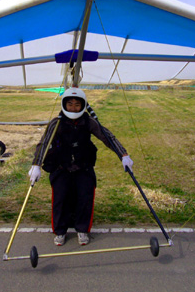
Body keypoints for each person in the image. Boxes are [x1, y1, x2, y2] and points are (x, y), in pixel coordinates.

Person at [28, 87, 133, 246]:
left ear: (83, 105)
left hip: (83, 166)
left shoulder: (88, 121)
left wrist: (123, 155)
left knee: (85, 198)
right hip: (61, 167)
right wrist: (36, 164)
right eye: (70, 104)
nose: (73, 108)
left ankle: (82, 230)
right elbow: (44, 143)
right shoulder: (56, 123)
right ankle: (60, 231)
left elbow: (107, 137)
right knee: (60, 199)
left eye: (77, 105)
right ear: (64, 104)